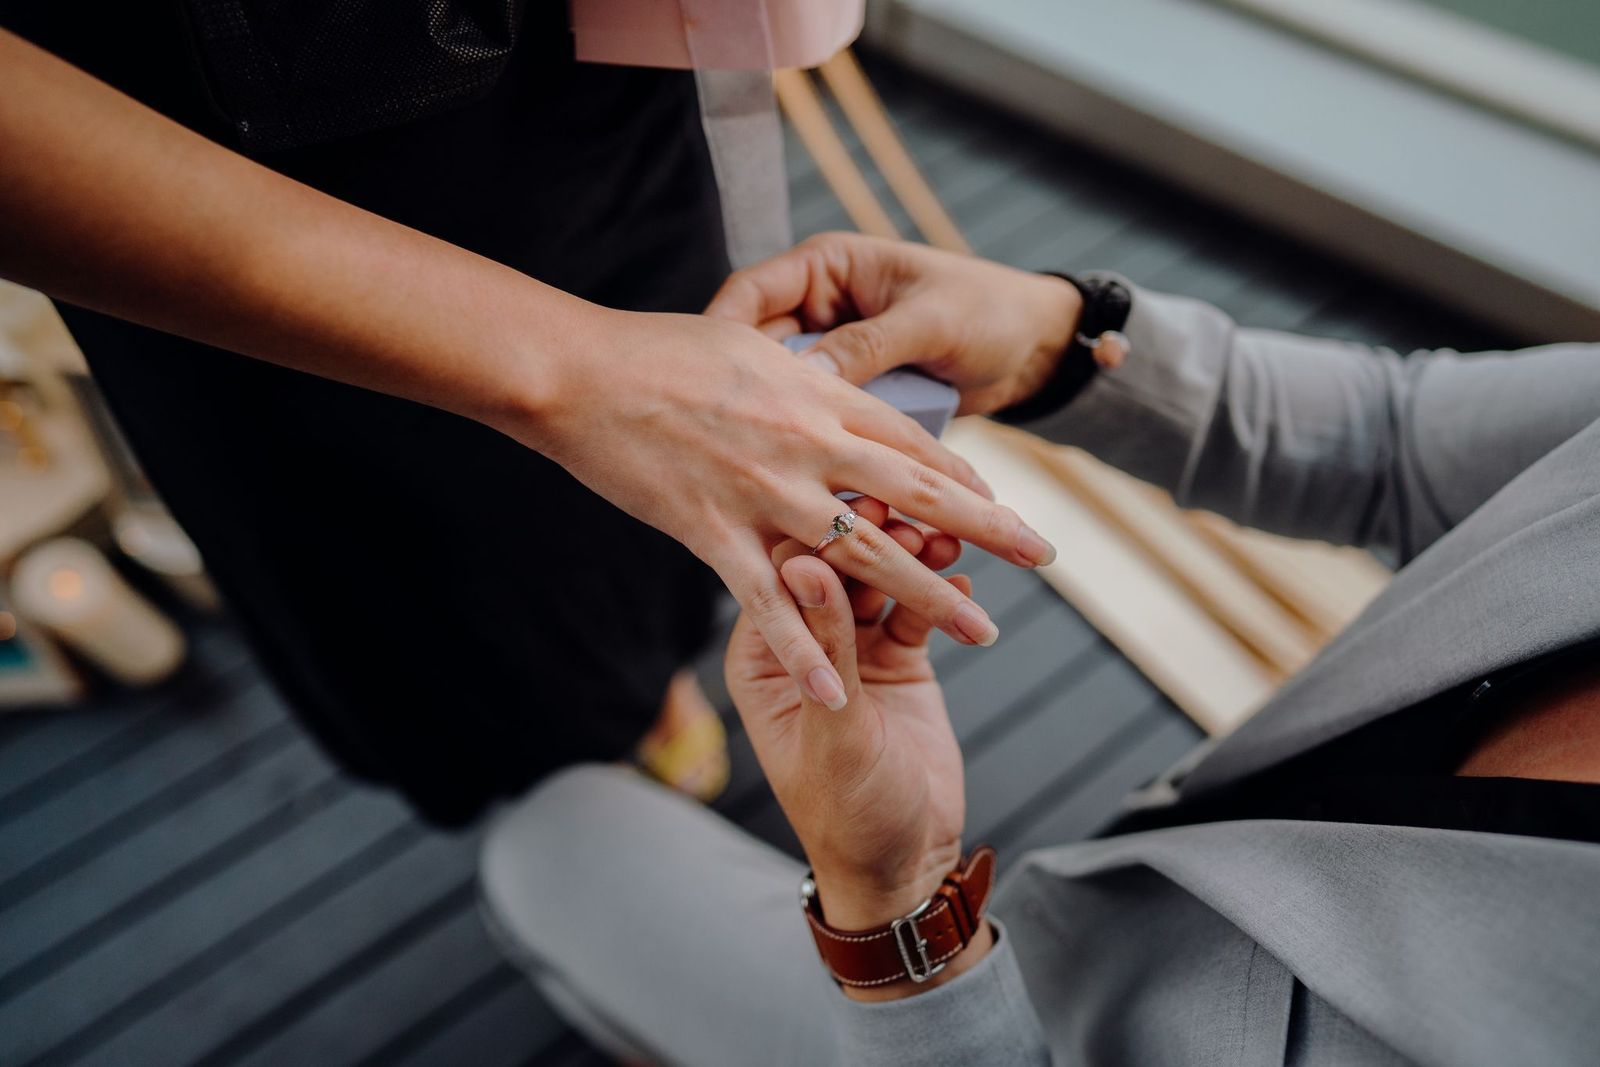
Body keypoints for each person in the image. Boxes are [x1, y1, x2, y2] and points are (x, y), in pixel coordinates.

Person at [479, 234, 1600, 1065]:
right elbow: (1400, 441)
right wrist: (1055, 340)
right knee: (557, 833)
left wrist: (896, 903)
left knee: (535, 844)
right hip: (1059, 908)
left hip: (959, 1020)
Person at [0, 15, 1051, 825]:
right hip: (238, 195)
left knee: (664, 521)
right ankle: (571, 783)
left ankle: (643, 696)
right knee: (437, 598)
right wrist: (579, 367)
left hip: (590, 79)